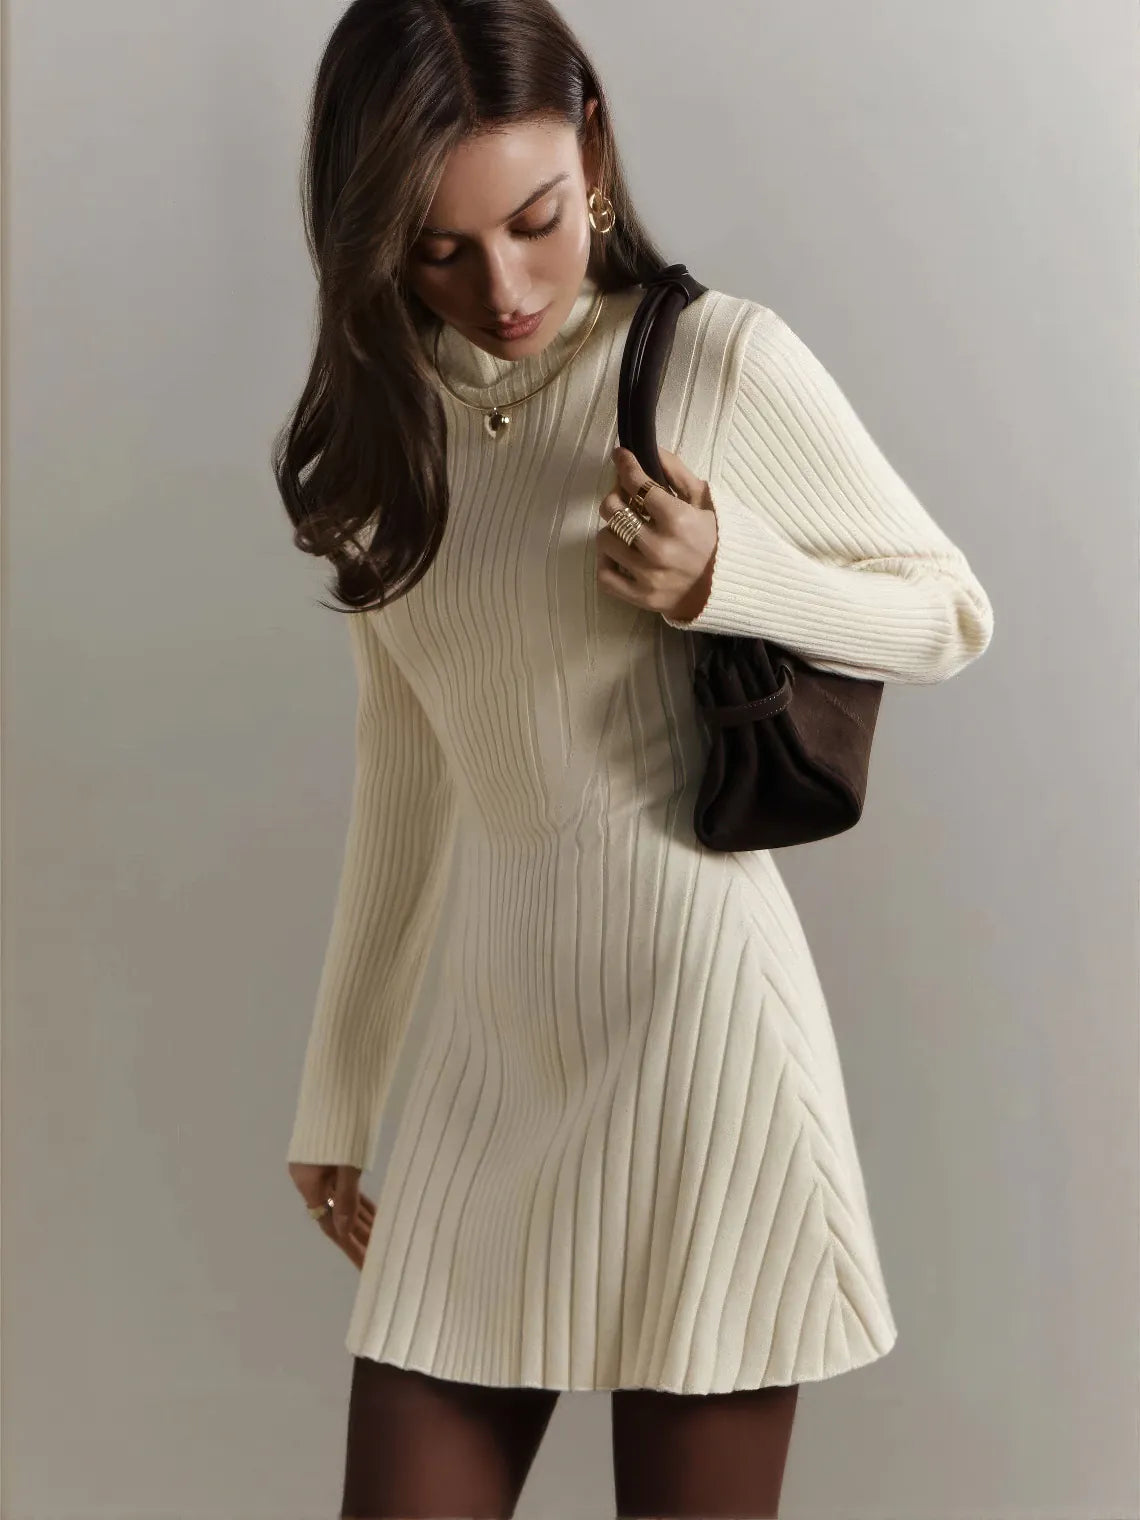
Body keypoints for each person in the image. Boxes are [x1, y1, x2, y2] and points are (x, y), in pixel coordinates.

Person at [274, 2, 995, 1515]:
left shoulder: (717, 358)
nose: (508, 286)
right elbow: (408, 779)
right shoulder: (383, 444)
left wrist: (733, 575)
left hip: (707, 1057)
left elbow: (949, 611)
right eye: (438, 250)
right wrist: (339, 1090)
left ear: (590, 148)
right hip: (490, 1066)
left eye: (534, 220)